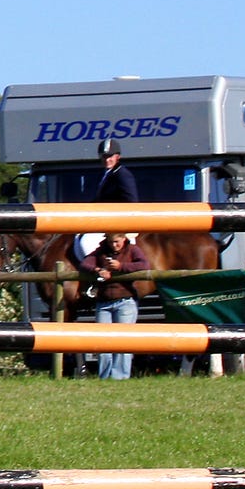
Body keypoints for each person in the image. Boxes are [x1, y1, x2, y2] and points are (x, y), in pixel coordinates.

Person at [77, 230, 150, 380]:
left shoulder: (133, 250)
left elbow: (144, 265)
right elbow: (85, 263)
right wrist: (98, 270)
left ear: (123, 239)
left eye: (117, 242)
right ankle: (104, 377)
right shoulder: (100, 251)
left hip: (125, 301)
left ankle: (120, 377)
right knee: (103, 342)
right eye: (111, 242)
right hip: (103, 302)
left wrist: (120, 266)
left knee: (123, 342)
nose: (114, 245)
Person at [74, 138, 141, 263]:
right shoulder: (106, 173)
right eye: (104, 156)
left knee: (86, 241)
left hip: (117, 221)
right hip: (105, 219)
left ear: (117, 157)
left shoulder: (122, 175)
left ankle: (102, 269)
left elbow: (132, 201)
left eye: (110, 156)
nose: (107, 160)